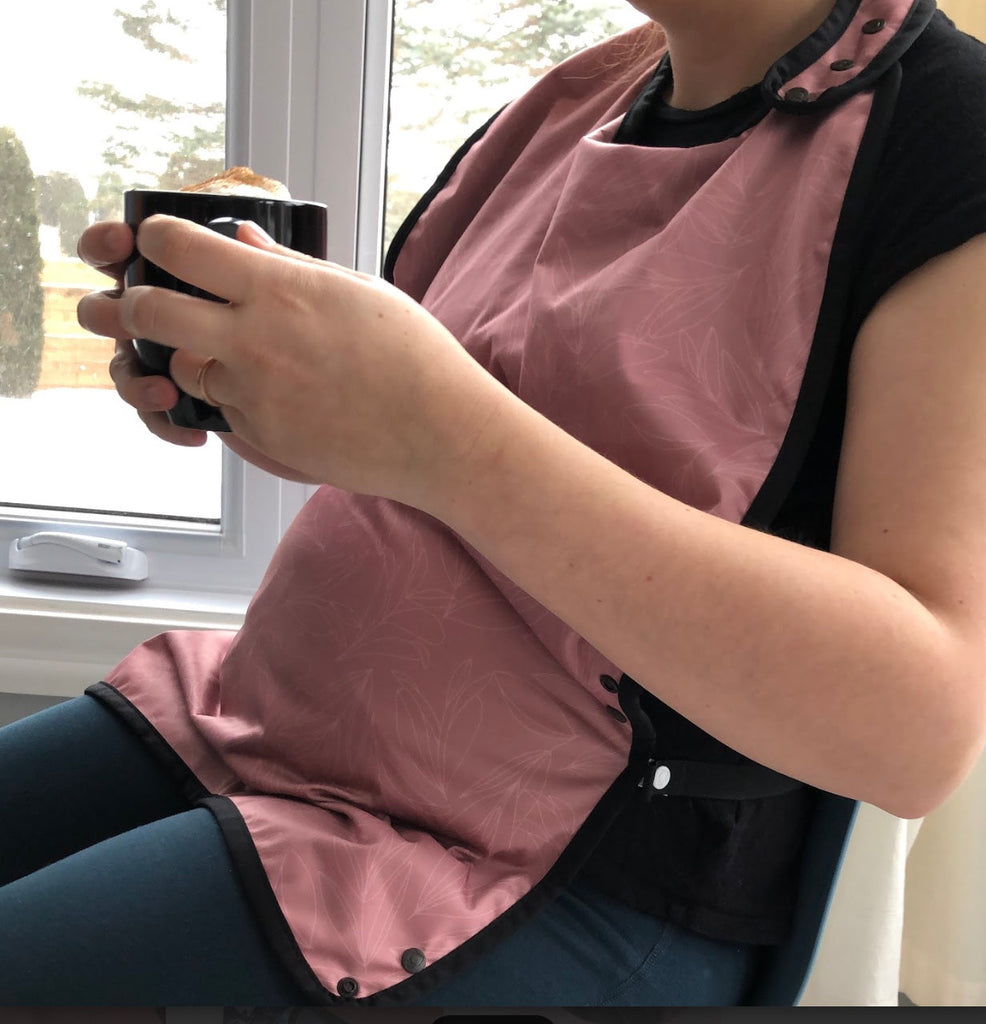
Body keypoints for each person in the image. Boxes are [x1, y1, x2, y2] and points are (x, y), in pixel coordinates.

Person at [2, 0, 986, 1007]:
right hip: (265, 717)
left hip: (530, 864)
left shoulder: (944, 130)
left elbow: (915, 732)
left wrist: (440, 435)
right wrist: (279, 399)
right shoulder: (569, 101)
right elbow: (431, 467)